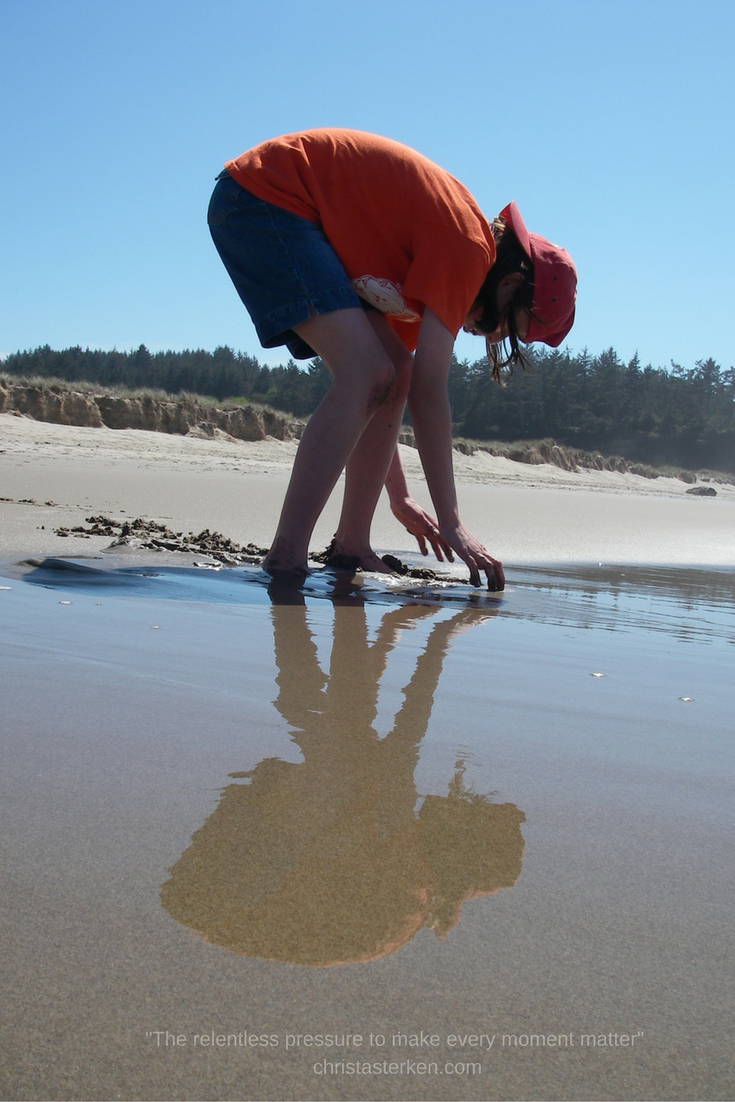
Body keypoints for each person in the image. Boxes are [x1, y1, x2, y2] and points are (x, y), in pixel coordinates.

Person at [208, 129, 577, 589]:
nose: (486, 334)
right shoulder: (468, 245)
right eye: (504, 327)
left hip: (274, 204)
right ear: (509, 284)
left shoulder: (417, 280)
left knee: (388, 371)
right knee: (370, 372)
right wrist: (452, 522)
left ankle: (351, 547)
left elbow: (392, 387)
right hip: (264, 196)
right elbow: (428, 392)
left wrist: (399, 496)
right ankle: (286, 557)